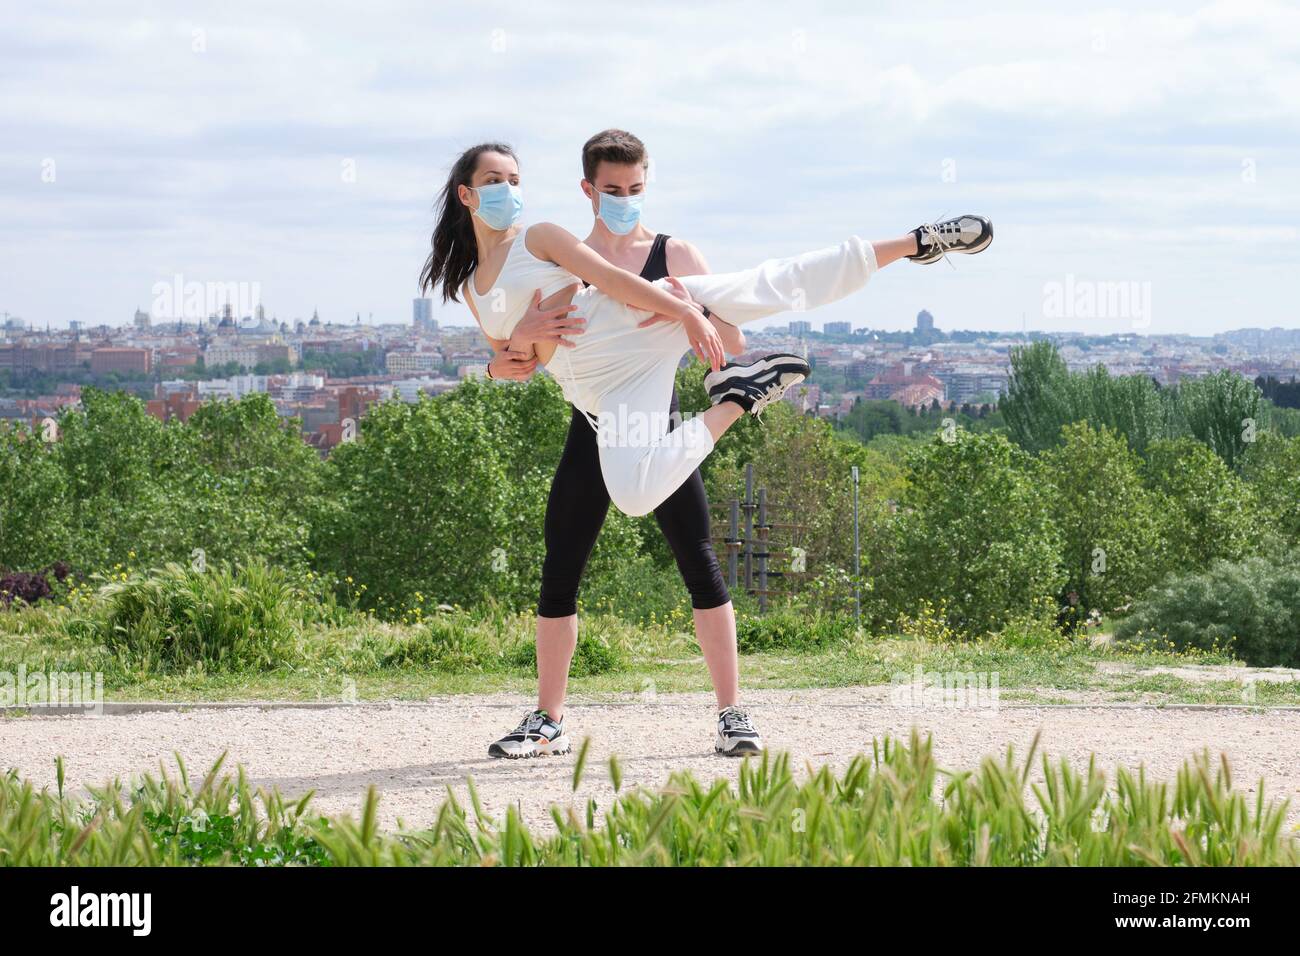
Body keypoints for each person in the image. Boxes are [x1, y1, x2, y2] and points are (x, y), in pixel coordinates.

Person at [418, 139, 993, 759]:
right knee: (634, 496)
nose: (510, 188)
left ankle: (916, 242)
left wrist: (689, 314)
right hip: (606, 397)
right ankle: (739, 397)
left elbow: (612, 280)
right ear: (468, 195)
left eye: (514, 177)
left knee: (775, 282)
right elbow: (509, 365)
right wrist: (520, 340)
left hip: (630, 331)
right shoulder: (473, 286)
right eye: (495, 180)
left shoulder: (542, 235)